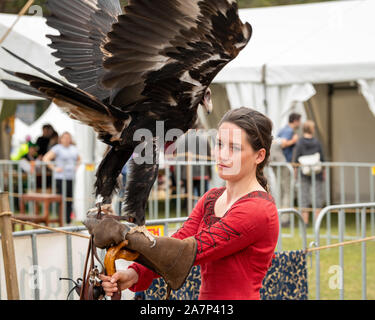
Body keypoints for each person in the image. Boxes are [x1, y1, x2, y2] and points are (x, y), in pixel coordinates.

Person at [99, 107, 279, 300]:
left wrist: (126, 235)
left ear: (259, 156)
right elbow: (181, 238)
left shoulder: (258, 209)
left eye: (234, 148)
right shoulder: (212, 197)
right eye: (219, 144)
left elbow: (186, 251)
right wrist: (134, 274)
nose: (222, 154)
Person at [43, 132, 80, 224]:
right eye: (65, 138)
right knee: (61, 199)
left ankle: (68, 219)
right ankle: (60, 219)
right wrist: (54, 168)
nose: (67, 139)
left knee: (69, 199)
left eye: (68, 138)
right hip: (60, 177)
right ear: (61, 139)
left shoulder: (73, 149)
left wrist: (76, 167)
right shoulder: (57, 148)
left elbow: (79, 159)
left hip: (70, 177)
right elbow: (46, 158)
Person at [292, 120, 325, 225]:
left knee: (303, 196)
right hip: (317, 173)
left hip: (303, 173)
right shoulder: (317, 143)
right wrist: (324, 173)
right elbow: (322, 159)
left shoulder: (300, 143)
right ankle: (317, 221)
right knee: (317, 196)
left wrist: (295, 174)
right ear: (312, 129)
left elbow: (296, 160)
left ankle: (305, 221)